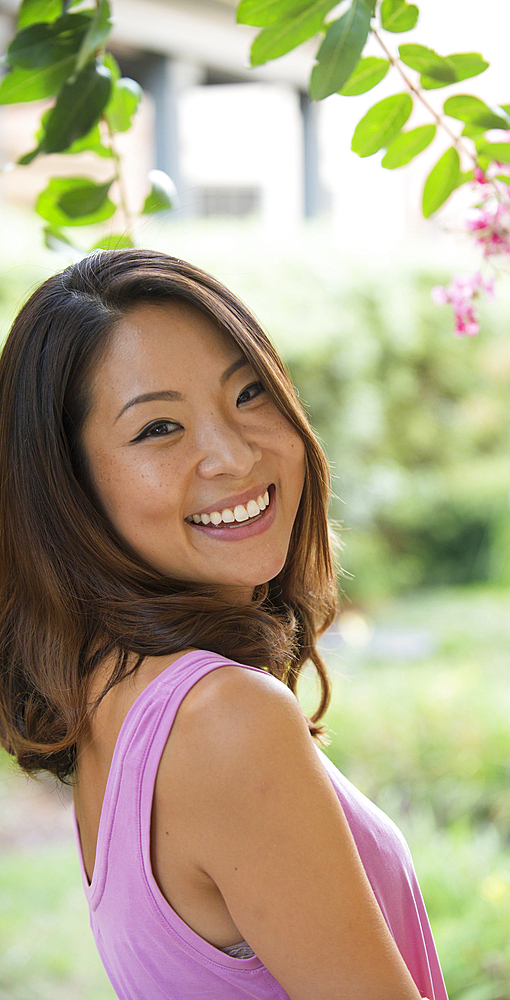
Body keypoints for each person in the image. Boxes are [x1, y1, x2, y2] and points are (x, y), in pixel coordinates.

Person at [0, 249, 447, 1000]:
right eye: (160, 428)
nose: (233, 454)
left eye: (248, 394)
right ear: (66, 487)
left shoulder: (113, 697)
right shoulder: (223, 719)